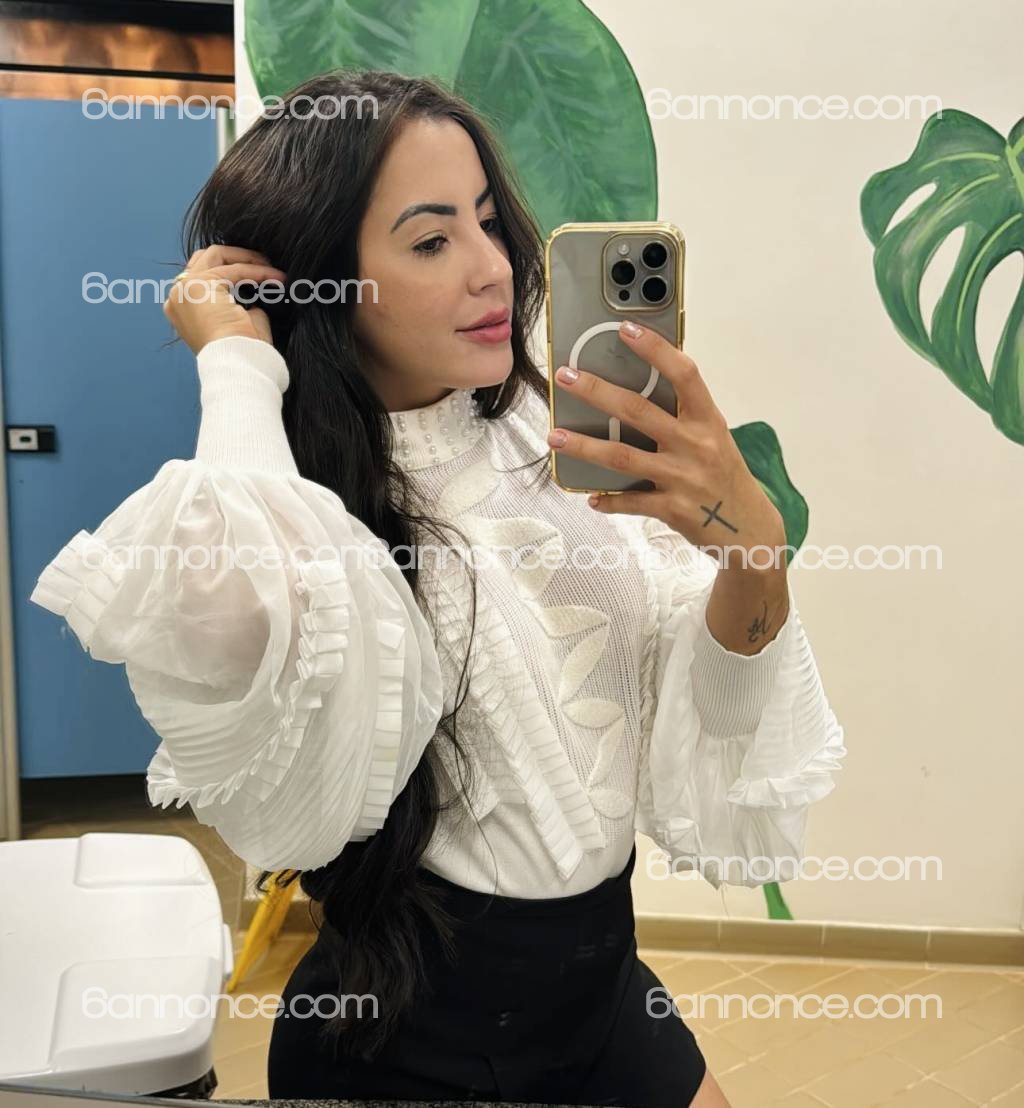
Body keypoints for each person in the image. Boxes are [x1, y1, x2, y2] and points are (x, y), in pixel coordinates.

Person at [29, 69, 845, 1107]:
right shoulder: (300, 493)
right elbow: (239, 617)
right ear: (318, 280)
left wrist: (752, 546)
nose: (492, 268)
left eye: (489, 222)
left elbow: (709, 695)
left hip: (602, 993)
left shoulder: (541, 437)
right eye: (430, 241)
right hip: (412, 1035)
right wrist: (236, 362)